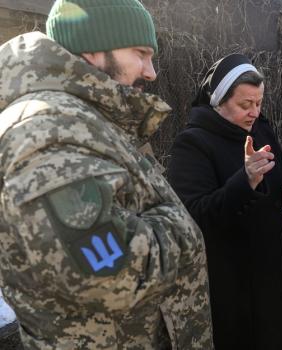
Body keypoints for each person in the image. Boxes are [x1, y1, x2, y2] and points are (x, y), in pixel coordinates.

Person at [0, 0, 213, 348]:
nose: (151, 72)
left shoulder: (87, 120)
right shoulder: (46, 130)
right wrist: (182, 228)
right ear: (95, 49)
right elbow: (109, 274)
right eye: (140, 53)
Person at [167, 53, 282, 349]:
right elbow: (193, 216)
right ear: (219, 102)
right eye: (245, 105)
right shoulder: (192, 143)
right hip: (228, 281)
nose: (254, 112)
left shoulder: (261, 130)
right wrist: (245, 182)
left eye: (259, 103)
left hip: (268, 273)